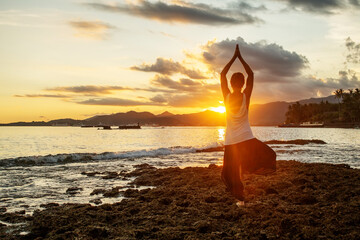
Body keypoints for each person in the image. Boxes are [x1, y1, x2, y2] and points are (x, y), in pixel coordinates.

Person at [220, 44, 276, 205]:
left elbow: (222, 74)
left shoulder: (226, 97)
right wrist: (240, 57)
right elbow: (251, 73)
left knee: (231, 174)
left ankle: (240, 200)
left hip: (231, 141)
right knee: (269, 156)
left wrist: (233, 57)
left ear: (231, 84)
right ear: (243, 84)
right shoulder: (246, 96)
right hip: (246, 139)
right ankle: (242, 195)